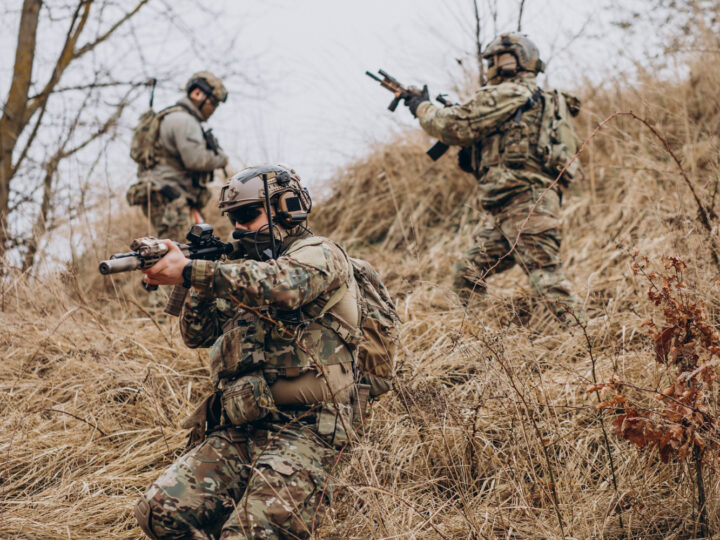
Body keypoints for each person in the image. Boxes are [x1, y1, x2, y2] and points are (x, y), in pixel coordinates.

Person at [133, 165, 361, 539]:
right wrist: (203, 275)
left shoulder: (320, 253)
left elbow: (285, 285)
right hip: (241, 429)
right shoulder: (238, 271)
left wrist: (193, 271)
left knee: (249, 533)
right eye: (233, 219)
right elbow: (196, 335)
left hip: (308, 429)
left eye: (247, 216)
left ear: (288, 208)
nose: (238, 228)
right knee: (160, 512)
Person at [403, 33, 583, 321]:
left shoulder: (511, 93)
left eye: (492, 60)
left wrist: (421, 107)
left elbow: (454, 125)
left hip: (526, 203)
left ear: (509, 61)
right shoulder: (527, 99)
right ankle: (480, 340)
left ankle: (587, 344)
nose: (489, 66)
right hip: (509, 208)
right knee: (468, 272)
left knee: (546, 279)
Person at [127, 71, 230, 241]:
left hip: (168, 193)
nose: (213, 108)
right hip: (171, 196)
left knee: (191, 247)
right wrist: (221, 158)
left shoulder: (173, 117)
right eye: (213, 102)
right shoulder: (184, 121)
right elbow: (196, 159)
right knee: (183, 251)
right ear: (197, 94)